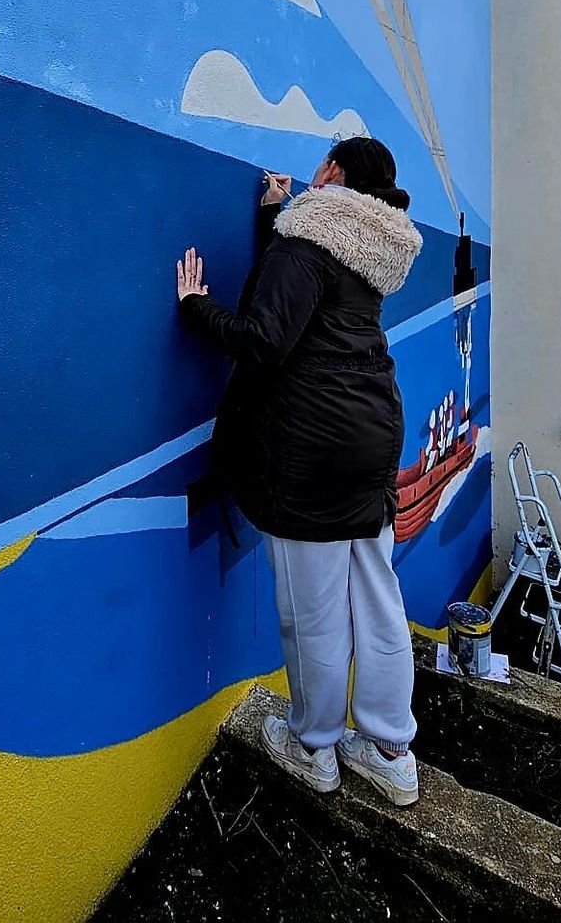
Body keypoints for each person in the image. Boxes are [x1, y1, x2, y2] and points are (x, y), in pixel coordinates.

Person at [175, 136, 425, 806]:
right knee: (376, 598)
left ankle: (314, 747)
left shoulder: (305, 243)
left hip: (312, 448)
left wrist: (197, 306)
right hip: (372, 435)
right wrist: (273, 221)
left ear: (333, 172)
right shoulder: (368, 250)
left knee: (312, 612)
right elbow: (310, 293)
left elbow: (265, 340)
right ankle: (389, 751)